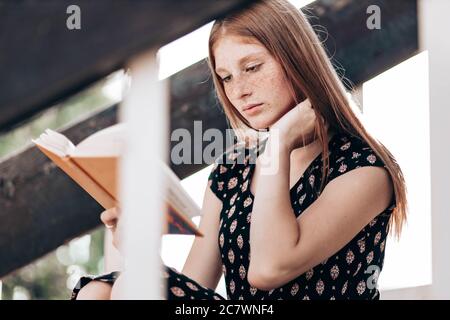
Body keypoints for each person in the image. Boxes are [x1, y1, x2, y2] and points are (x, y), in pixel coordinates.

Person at [71, 0, 407, 300]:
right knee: (99, 291)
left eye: (252, 67)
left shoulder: (364, 168)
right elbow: (191, 289)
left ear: (297, 59)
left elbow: (268, 268)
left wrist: (279, 143)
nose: (240, 91)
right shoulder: (233, 170)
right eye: (226, 77)